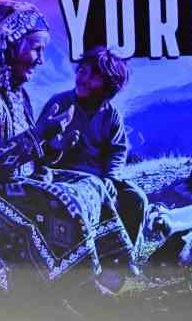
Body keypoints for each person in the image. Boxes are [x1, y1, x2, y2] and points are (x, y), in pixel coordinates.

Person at [0, 0, 136, 291]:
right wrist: (39, 134)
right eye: (35, 49)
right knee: (65, 203)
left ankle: (109, 268)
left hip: (9, 179)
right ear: (7, 45)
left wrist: (54, 144)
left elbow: (30, 153)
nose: (40, 60)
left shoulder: (15, 92)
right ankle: (79, 285)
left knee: (92, 185)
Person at [35, 44, 143, 234]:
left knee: (135, 199)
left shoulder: (111, 114)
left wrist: (111, 177)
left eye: (93, 76)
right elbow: (38, 145)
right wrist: (56, 146)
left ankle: (123, 250)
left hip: (99, 177)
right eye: (83, 71)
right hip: (62, 176)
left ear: (109, 85)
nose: (84, 79)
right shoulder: (58, 104)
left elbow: (117, 150)